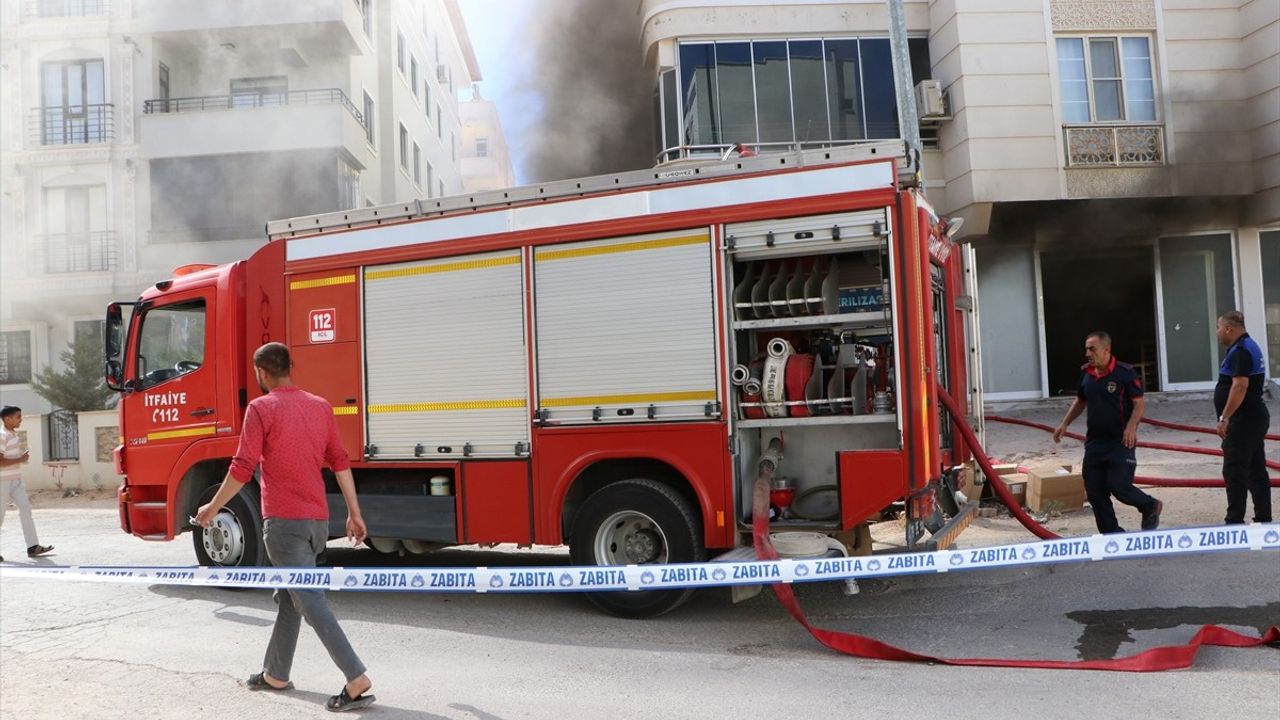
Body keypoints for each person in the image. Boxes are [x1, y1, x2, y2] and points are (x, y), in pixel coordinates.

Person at [194, 343, 375, 712]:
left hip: (284, 524)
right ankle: (276, 673)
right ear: (290, 367)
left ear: (262, 372)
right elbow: (340, 462)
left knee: (308, 598)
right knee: (290, 596)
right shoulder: (320, 406)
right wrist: (354, 513)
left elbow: (242, 468)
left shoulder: (261, 408)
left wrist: (212, 508)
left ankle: (356, 677)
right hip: (317, 523)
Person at [1052, 331, 1163, 533]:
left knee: (1119, 486)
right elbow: (1080, 400)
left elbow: (1139, 404)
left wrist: (1131, 427)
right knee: (1094, 491)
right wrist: (1064, 423)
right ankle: (1111, 534)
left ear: (1106, 350)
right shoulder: (1086, 372)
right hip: (1095, 443)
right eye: (1086, 348)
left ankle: (1149, 505)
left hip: (1120, 442)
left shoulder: (1124, 372)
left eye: (1092, 348)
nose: (1087, 353)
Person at [1213, 311, 1271, 525]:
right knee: (1255, 469)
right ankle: (1263, 518)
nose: (1217, 332)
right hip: (1252, 419)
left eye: (1218, 328)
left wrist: (1225, 417)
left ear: (1228, 328)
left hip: (1244, 421)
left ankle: (1234, 521)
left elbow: (1240, 386)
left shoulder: (1241, 351)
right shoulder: (1247, 346)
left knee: (1234, 470)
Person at [0, 405, 54, 563]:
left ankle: (33, 546)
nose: (21, 419)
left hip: (16, 480)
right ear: (7, 418)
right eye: (18, 417)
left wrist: (19, 458)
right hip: (2, 482)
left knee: (25, 508)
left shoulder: (12, 434)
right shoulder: (2, 435)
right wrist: (21, 459)